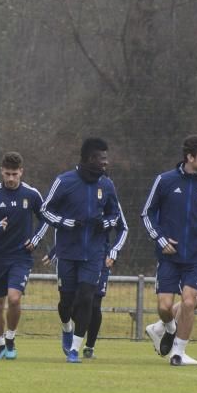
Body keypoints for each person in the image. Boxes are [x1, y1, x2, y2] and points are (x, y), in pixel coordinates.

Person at [141, 134, 197, 366]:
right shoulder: (164, 180)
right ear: (190, 157)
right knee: (164, 307)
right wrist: (161, 239)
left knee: (191, 302)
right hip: (168, 256)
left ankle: (179, 353)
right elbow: (147, 214)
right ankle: (168, 328)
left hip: (196, 256)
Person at [41, 137, 123, 363]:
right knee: (67, 303)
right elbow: (45, 210)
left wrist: (104, 224)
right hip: (67, 252)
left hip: (94, 254)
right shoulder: (64, 181)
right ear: (88, 159)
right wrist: (64, 222)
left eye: (106, 158)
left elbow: (114, 215)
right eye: (101, 158)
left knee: (86, 298)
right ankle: (67, 327)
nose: (105, 163)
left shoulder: (106, 185)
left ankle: (75, 349)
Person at [0, 151, 48, 360]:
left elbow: (45, 219)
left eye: (14, 174)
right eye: (7, 174)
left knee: (14, 299)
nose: (10, 178)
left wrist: (35, 240)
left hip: (21, 257)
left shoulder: (32, 194)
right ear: (1, 172)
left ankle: (10, 338)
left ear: (21, 172)